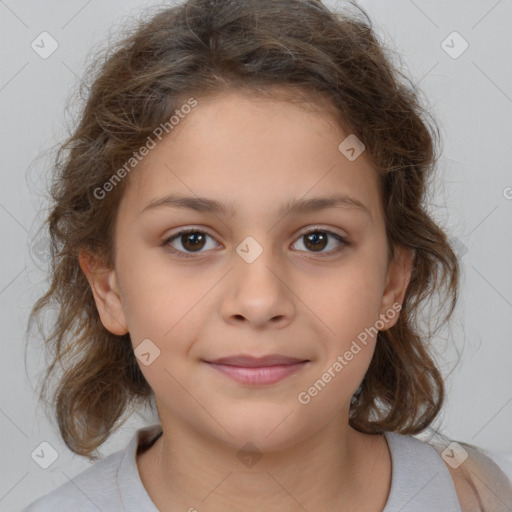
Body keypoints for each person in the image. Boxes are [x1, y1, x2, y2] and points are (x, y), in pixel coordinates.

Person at [22, 0, 512, 510]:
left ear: (393, 282)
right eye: (192, 240)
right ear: (109, 286)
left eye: (317, 239)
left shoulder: (486, 496)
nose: (258, 302)